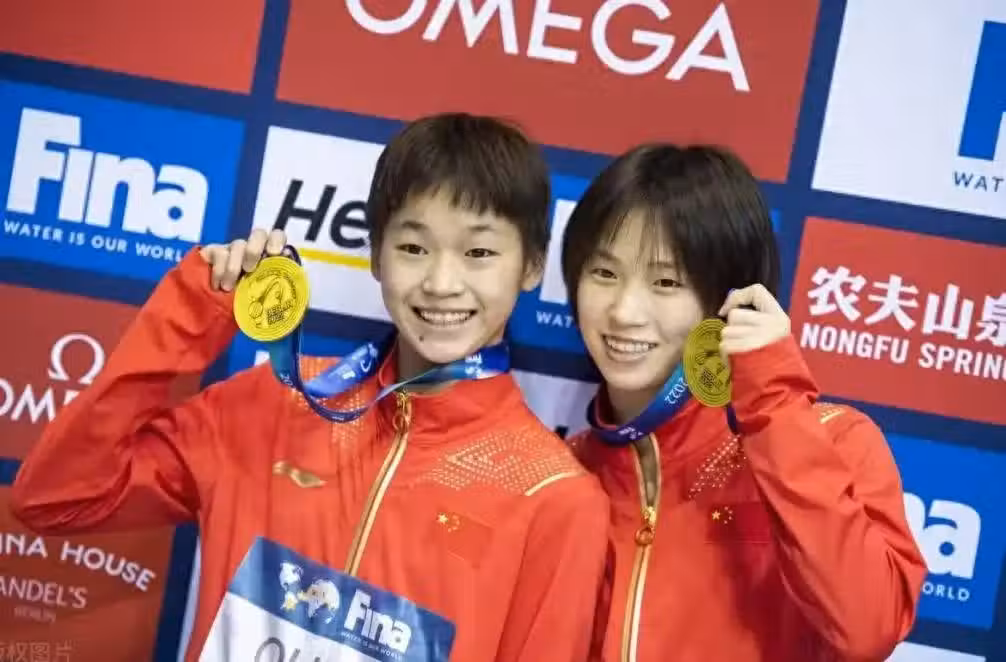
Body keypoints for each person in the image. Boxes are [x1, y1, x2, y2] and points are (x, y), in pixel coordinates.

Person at [11, 113, 610, 662]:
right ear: (375, 256)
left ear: (532, 266)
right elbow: (57, 498)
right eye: (413, 247)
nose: (441, 282)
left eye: (479, 251)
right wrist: (191, 312)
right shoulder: (271, 405)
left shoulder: (553, 498)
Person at [561, 143, 927, 662]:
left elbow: (868, 627)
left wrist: (773, 404)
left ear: (729, 299)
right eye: (604, 274)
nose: (624, 311)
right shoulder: (565, 472)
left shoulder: (833, 440)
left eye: (666, 282)